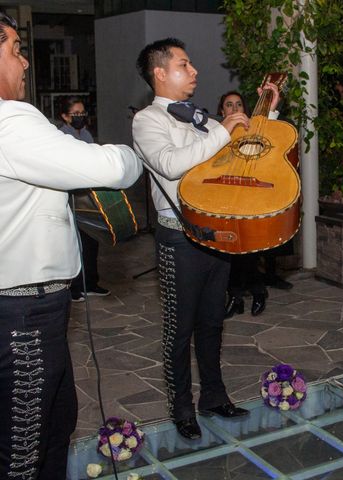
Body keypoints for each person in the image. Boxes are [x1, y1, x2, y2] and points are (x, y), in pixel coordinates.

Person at [0, 12, 142, 480]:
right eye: (16, 50)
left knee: (56, 420)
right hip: (23, 312)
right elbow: (111, 169)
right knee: (22, 447)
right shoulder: (11, 124)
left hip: (30, 307)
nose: (24, 64)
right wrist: (127, 153)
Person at [132, 38, 280, 440]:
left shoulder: (199, 119)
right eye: (185, 63)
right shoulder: (148, 120)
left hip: (218, 234)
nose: (194, 70)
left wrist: (269, 108)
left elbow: (248, 151)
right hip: (178, 239)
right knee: (179, 329)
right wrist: (220, 132)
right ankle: (180, 407)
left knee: (214, 322)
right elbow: (170, 163)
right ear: (160, 73)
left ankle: (213, 396)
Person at [216, 90, 278, 318]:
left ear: (245, 110)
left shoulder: (254, 131)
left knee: (248, 248)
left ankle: (256, 292)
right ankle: (236, 297)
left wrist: (270, 107)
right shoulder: (215, 134)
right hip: (223, 197)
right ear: (222, 111)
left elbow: (272, 135)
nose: (234, 109)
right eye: (229, 105)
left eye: (238, 105)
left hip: (251, 196)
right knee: (227, 250)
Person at [59, 96, 111, 301]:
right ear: (64, 116)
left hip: (88, 196)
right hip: (72, 198)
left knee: (91, 240)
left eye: (82, 113)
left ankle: (90, 283)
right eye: (75, 114)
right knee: (75, 245)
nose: (80, 117)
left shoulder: (87, 134)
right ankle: (73, 287)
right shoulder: (63, 136)